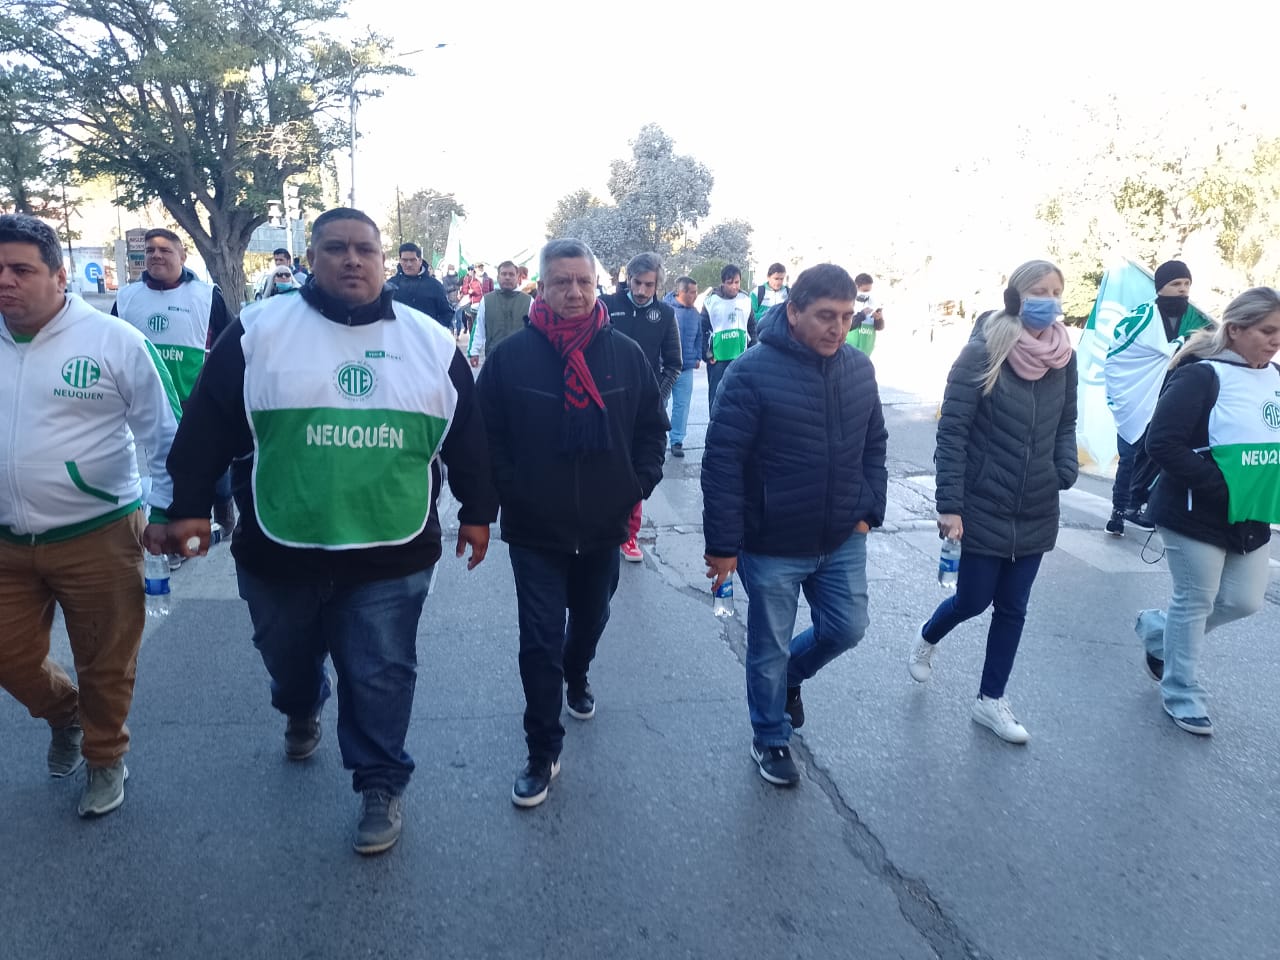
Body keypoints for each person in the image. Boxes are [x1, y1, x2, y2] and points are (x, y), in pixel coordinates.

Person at [161, 207, 498, 854]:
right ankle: (300, 702)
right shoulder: (258, 332)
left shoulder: (429, 342)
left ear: (384, 260)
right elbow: (207, 426)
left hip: (391, 551)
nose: (352, 259)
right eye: (335, 248)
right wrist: (187, 506)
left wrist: (478, 511)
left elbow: (470, 437)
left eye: (364, 249)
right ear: (310, 258)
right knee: (286, 658)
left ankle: (379, 781)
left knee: (380, 671)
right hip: (279, 547)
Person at [476, 238, 667, 809]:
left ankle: (577, 671)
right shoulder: (512, 359)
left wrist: (636, 485)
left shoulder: (625, 354)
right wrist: (513, 492)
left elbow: (651, 431)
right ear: (543, 286)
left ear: (596, 283)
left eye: (583, 281)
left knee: (590, 617)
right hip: (537, 530)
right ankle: (542, 749)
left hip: (605, 526)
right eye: (562, 282)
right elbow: (488, 439)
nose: (575, 292)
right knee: (538, 642)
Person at [0, 212, 180, 817]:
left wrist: (167, 512)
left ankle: (105, 758)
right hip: (5, 540)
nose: (6, 281)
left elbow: (163, 434)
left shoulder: (113, 340)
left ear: (59, 273)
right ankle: (64, 716)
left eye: (21, 269)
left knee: (105, 662)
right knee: (11, 657)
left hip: (98, 534)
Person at [702, 264, 887, 787]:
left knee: (848, 628)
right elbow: (723, 461)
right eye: (826, 316)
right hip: (772, 541)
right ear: (793, 311)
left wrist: (868, 509)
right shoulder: (751, 372)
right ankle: (770, 737)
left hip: (841, 535)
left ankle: (789, 681)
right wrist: (723, 544)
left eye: (847, 317)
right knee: (768, 648)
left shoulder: (858, 368)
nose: (838, 328)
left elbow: (875, 443)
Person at [907, 259, 1078, 744]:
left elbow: (1067, 422)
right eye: (1037, 291)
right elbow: (953, 431)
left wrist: (1062, 469)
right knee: (973, 600)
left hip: (1038, 504)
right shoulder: (982, 353)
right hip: (982, 501)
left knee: (1014, 608)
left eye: (1055, 291)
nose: (1048, 300)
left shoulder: (1065, 357)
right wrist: (949, 505)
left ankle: (991, 700)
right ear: (1015, 297)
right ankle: (927, 638)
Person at [1133, 287, 1280, 736]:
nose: (1275, 341)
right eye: (1267, 331)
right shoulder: (1201, 376)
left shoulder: (1274, 376)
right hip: (1193, 512)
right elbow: (1162, 444)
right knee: (1194, 601)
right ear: (1235, 330)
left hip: (1250, 515)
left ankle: (1160, 630)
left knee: (1243, 600)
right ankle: (1182, 694)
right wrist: (1222, 486)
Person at [112, 227, 235, 546]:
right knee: (167, 465)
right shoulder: (126, 298)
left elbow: (230, 343)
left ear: (182, 256)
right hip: (145, 399)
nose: (156, 255)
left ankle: (223, 504)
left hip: (196, 399)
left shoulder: (207, 295)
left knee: (212, 464)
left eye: (165, 250)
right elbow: (109, 344)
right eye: (150, 250)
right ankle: (173, 537)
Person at [1104, 260, 1212, 536]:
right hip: (1138, 394)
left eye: (1187, 284)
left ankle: (1140, 505)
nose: (1182, 290)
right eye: (1176, 284)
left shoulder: (1197, 319)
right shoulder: (1139, 316)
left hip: (1171, 395)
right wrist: (1172, 348)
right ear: (1161, 286)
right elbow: (1121, 353)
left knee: (1158, 453)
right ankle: (1119, 510)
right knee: (1130, 454)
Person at [604, 252, 681, 562]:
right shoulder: (608, 306)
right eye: (637, 283)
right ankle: (603, 524)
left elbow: (674, 365)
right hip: (604, 403)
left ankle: (629, 535)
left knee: (634, 470)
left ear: (657, 284)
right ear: (628, 279)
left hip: (641, 411)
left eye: (649, 285)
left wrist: (655, 400)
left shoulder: (665, 314)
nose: (641, 291)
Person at [701, 263, 756, 411]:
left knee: (740, 397)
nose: (734, 286)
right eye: (729, 282)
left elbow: (752, 329)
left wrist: (753, 352)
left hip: (741, 358)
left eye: (737, 282)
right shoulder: (711, 302)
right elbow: (702, 329)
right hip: (718, 360)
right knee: (716, 397)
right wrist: (707, 353)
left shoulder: (746, 301)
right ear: (723, 282)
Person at [663, 276, 703, 458]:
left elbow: (699, 336)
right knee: (659, 404)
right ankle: (655, 437)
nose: (695, 295)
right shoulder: (665, 310)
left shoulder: (695, 313)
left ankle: (677, 440)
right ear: (681, 292)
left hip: (686, 368)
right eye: (692, 292)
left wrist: (697, 355)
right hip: (664, 368)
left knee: (682, 405)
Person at [468, 260, 532, 367]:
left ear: (517, 278)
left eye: (511, 274)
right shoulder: (487, 300)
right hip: (494, 359)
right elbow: (479, 327)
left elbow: (535, 332)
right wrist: (474, 351)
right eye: (504, 274)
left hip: (521, 361)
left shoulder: (529, 301)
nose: (507, 277)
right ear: (498, 277)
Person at [387, 242, 454, 327]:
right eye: (404, 260)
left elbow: (446, 313)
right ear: (400, 260)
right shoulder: (391, 285)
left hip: (427, 338)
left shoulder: (435, 286)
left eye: (412, 260)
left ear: (420, 261)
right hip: (398, 338)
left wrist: (434, 331)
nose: (409, 264)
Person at [845, 273, 884, 355]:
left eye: (870, 290)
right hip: (848, 351)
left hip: (866, 352)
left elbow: (880, 327)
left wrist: (879, 319)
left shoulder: (874, 303)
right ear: (856, 287)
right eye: (865, 291)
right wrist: (861, 315)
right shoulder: (847, 302)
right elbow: (846, 326)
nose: (868, 293)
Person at [454, 265, 484, 336]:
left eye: (472, 270)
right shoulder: (466, 278)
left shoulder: (486, 279)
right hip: (471, 302)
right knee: (470, 320)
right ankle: (471, 337)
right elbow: (463, 289)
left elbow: (488, 290)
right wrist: (464, 292)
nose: (470, 271)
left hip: (481, 302)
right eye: (469, 269)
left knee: (478, 322)